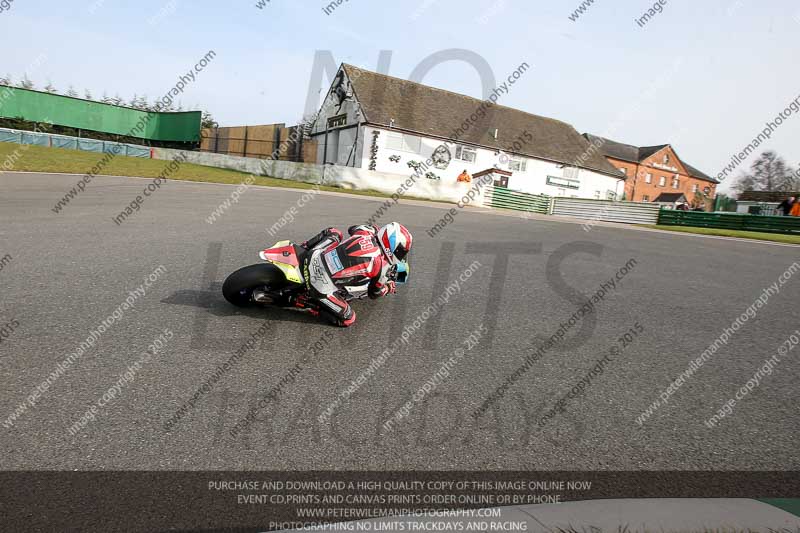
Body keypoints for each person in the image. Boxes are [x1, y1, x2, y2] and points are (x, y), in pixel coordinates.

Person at [295, 222, 412, 327]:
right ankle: (308, 304)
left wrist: (374, 229)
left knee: (334, 232)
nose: (400, 254)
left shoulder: (365, 233)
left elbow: (352, 228)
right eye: (400, 251)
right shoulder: (382, 267)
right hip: (318, 285)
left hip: (312, 256)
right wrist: (387, 287)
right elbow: (374, 293)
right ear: (391, 244)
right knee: (349, 319)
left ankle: (301, 249)